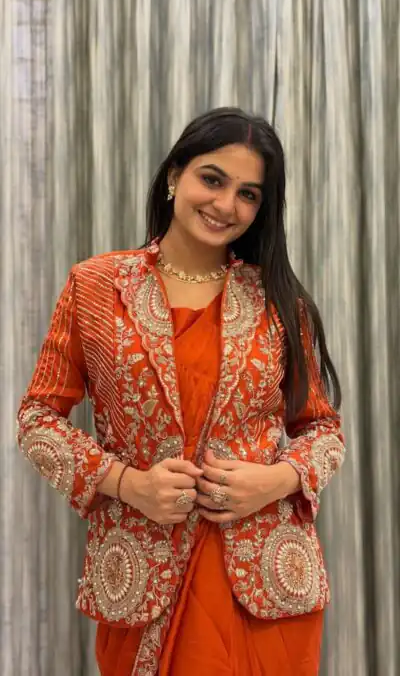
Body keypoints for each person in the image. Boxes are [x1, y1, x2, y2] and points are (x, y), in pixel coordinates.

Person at [17, 107, 345, 676]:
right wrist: (128, 484)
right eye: (212, 179)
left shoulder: (278, 302)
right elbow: (36, 420)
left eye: (248, 194)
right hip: (142, 573)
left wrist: (273, 481)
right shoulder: (96, 287)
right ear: (175, 175)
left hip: (262, 582)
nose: (226, 205)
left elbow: (323, 431)